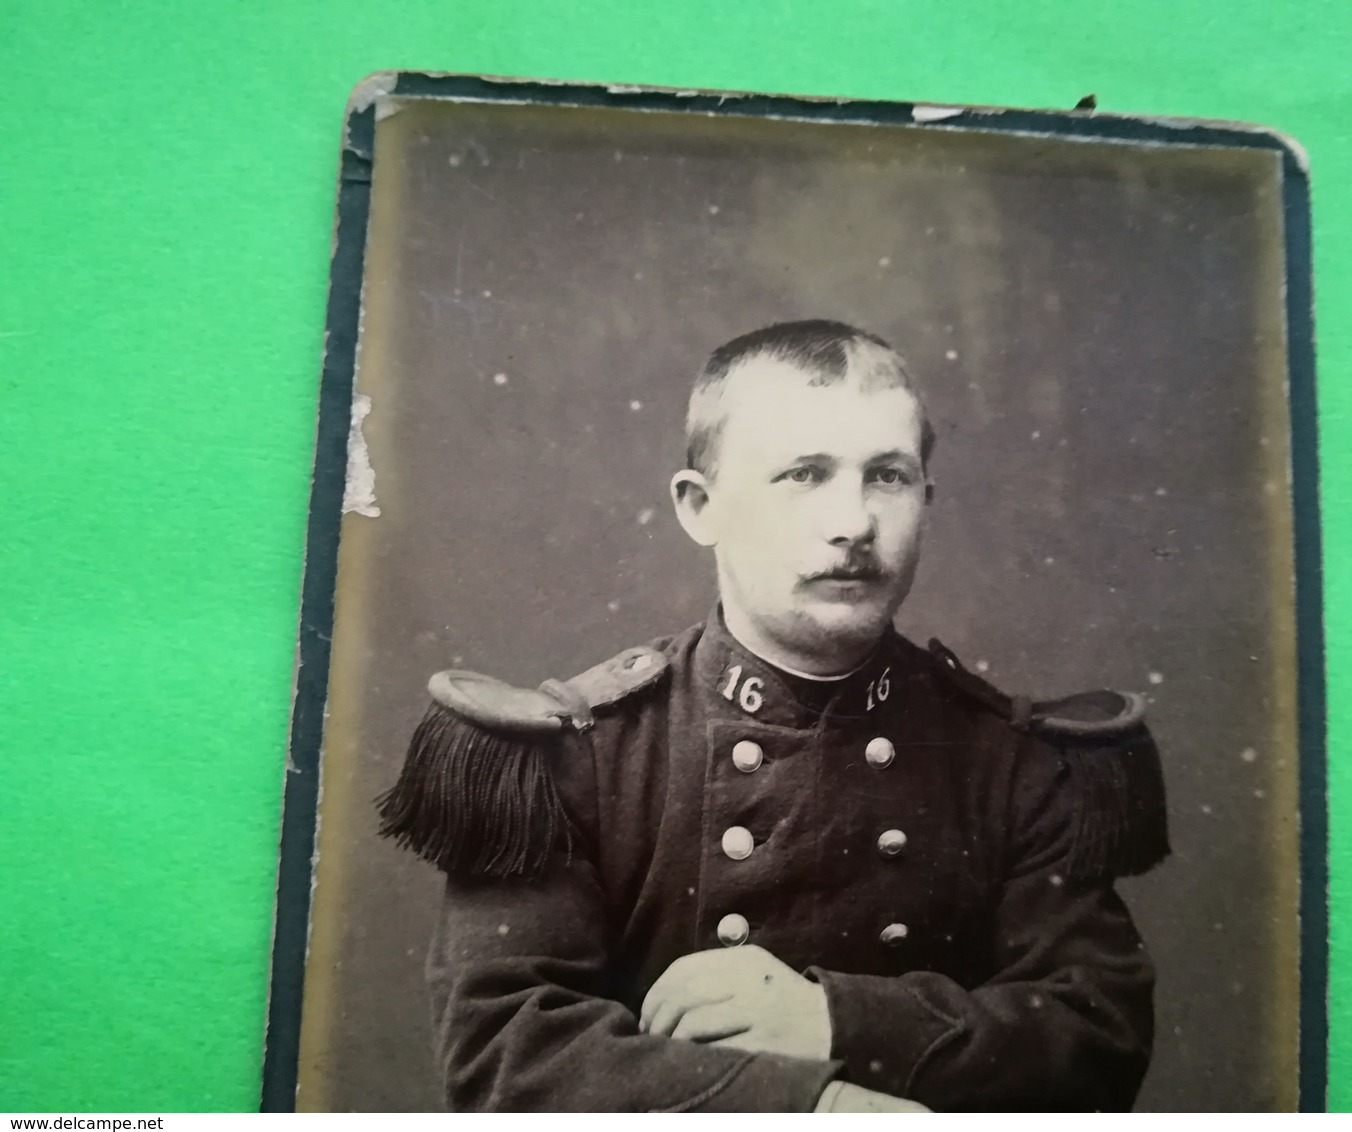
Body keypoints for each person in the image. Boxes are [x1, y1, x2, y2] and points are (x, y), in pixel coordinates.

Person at [376, 320, 1170, 1112]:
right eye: (803, 474)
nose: (853, 523)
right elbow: (508, 1056)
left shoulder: (1015, 760)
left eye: (887, 476)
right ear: (698, 507)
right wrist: (820, 1109)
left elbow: (1097, 1037)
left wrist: (837, 1021)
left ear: (927, 500)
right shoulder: (574, 755)